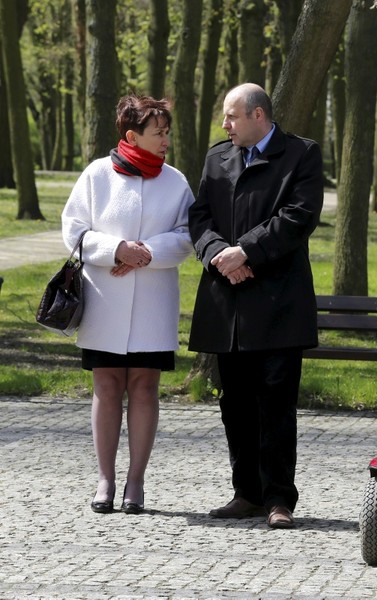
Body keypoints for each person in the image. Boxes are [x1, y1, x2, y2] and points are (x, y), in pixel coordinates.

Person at [188, 83, 324, 529]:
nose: (225, 125)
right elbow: (200, 217)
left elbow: (298, 217)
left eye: (231, 117)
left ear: (259, 116)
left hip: (278, 303)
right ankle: (245, 493)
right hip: (228, 303)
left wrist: (244, 252)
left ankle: (279, 499)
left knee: (276, 404)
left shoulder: (301, 155)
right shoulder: (216, 157)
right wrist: (217, 256)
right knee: (236, 404)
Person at [61, 94, 194, 515]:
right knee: (106, 385)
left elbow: (188, 234)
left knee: (144, 386)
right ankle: (105, 479)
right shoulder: (97, 175)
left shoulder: (176, 181)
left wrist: (147, 252)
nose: (166, 140)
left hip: (153, 301)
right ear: (132, 135)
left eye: (168, 132)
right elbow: (75, 230)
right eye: (159, 133)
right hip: (105, 299)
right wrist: (116, 248)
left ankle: (135, 481)